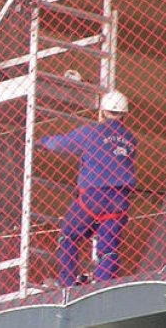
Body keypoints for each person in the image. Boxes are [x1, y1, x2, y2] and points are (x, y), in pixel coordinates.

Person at [40, 89, 137, 287]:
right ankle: (103, 284)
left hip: (93, 196)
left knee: (68, 234)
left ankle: (67, 282)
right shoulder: (131, 139)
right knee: (108, 245)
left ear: (102, 111)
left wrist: (41, 141)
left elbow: (61, 144)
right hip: (120, 200)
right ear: (124, 114)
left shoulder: (91, 132)